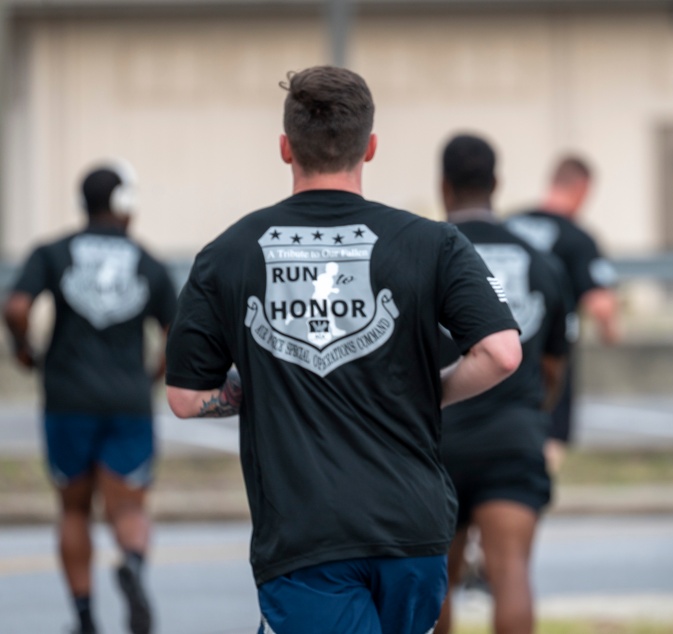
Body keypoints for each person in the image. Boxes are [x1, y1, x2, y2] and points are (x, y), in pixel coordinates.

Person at [163, 66, 522, 634]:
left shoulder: (227, 253)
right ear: (370, 147)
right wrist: (434, 392)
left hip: (307, 534)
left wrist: (258, 384)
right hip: (413, 529)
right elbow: (502, 352)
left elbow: (185, 398)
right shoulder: (433, 243)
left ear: (286, 148)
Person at [3, 162, 176, 634]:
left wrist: (23, 349)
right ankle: (134, 567)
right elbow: (177, 333)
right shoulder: (149, 261)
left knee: (74, 508)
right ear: (124, 206)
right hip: (127, 399)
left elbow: (17, 306)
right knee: (130, 507)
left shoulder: (52, 252)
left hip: (66, 397)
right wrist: (151, 375)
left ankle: (84, 619)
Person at [433, 134, 569, 634]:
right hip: (512, 437)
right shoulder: (538, 259)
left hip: (434, 441)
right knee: (510, 572)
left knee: (433, 581)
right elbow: (555, 364)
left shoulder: (424, 253)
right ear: (496, 184)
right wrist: (535, 409)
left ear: (443, 185)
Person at [506, 156, 619, 471]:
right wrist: (611, 331)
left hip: (498, 353)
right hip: (549, 367)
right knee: (543, 455)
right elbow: (601, 303)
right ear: (582, 189)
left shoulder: (508, 225)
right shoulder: (577, 238)